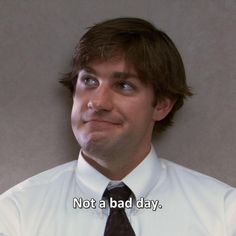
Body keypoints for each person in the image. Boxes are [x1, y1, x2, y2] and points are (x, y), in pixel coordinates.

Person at [0, 17, 235, 236]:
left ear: (162, 105)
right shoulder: (15, 214)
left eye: (123, 85)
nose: (98, 102)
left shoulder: (223, 214)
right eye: (89, 81)